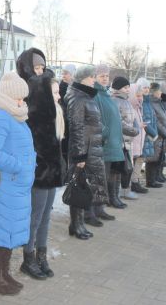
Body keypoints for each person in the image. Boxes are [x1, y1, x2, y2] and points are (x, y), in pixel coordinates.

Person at [0, 72, 36, 296]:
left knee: (11, 232)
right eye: (19, 98)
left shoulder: (13, 114)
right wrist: (19, 165)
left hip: (16, 186)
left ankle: (4, 273)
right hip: (5, 185)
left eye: (24, 98)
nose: (22, 102)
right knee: (1, 233)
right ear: (8, 96)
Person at [20, 76, 65, 280]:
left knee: (46, 217)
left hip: (51, 174)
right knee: (35, 218)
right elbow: (33, 150)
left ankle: (41, 256)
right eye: (54, 92)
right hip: (39, 176)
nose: (59, 95)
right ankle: (27, 259)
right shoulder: (34, 116)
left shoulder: (56, 114)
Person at [64, 65, 108, 240]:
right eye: (92, 77)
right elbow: (77, 128)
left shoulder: (87, 96)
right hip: (83, 151)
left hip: (91, 148)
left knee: (84, 186)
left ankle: (78, 223)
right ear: (83, 79)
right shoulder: (78, 98)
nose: (94, 80)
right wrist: (80, 155)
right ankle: (76, 224)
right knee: (79, 187)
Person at [92, 64, 123, 223]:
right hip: (103, 144)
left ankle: (100, 208)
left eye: (106, 76)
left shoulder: (105, 94)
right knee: (98, 179)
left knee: (103, 179)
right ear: (95, 77)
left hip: (111, 143)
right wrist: (104, 134)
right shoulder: (96, 94)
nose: (105, 78)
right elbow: (95, 119)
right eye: (101, 75)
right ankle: (94, 211)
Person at [110, 76, 140, 200]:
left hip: (127, 140)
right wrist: (133, 130)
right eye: (125, 87)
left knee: (126, 168)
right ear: (118, 88)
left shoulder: (126, 101)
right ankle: (117, 194)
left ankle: (122, 192)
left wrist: (136, 127)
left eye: (128, 87)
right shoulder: (115, 101)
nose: (128, 90)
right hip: (120, 140)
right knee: (120, 169)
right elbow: (118, 122)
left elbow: (133, 118)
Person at [128, 83, 148, 194]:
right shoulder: (130, 108)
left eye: (141, 96)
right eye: (137, 95)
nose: (140, 98)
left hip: (139, 140)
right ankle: (131, 184)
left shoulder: (138, 108)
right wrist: (138, 126)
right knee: (132, 163)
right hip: (133, 140)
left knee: (138, 161)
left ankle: (135, 182)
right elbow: (128, 125)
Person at [149, 83, 166, 185]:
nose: (161, 93)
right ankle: (151, 180)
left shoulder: (159, 102)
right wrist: (164, 131)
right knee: (153, 158)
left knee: (160, 156)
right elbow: (156, 121)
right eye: (159, 91)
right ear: (154, 93)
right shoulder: (152, 103)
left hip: (162, 134)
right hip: (156, 134)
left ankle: (158, 175)